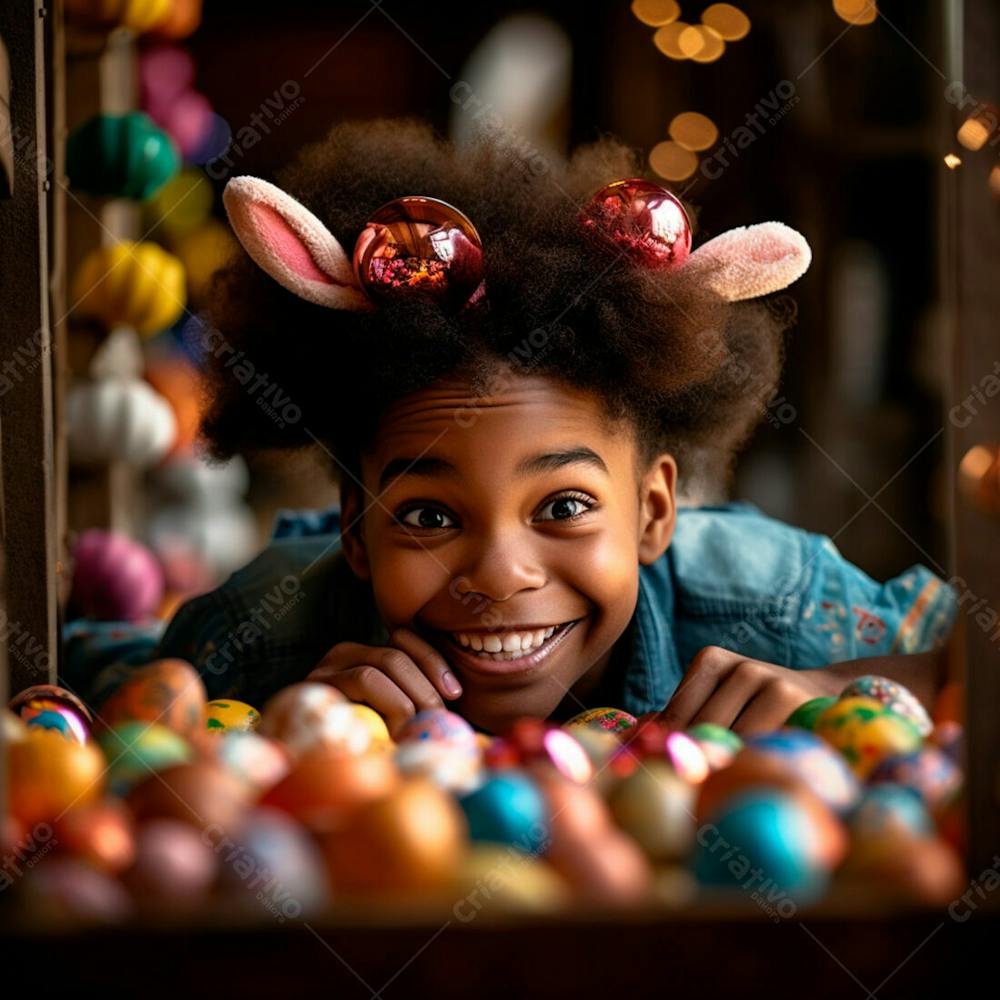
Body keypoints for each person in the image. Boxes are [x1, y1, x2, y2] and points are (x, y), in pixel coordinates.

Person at [88, 119, 959, 738]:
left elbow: (976, 655)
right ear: (355, 529)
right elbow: (83, 686)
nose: (501, 574)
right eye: (428, 516)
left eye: (565, 505)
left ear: (655, 511)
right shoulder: (264, 633)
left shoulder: (766, 601)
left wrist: (840, 687)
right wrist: (263, 744)